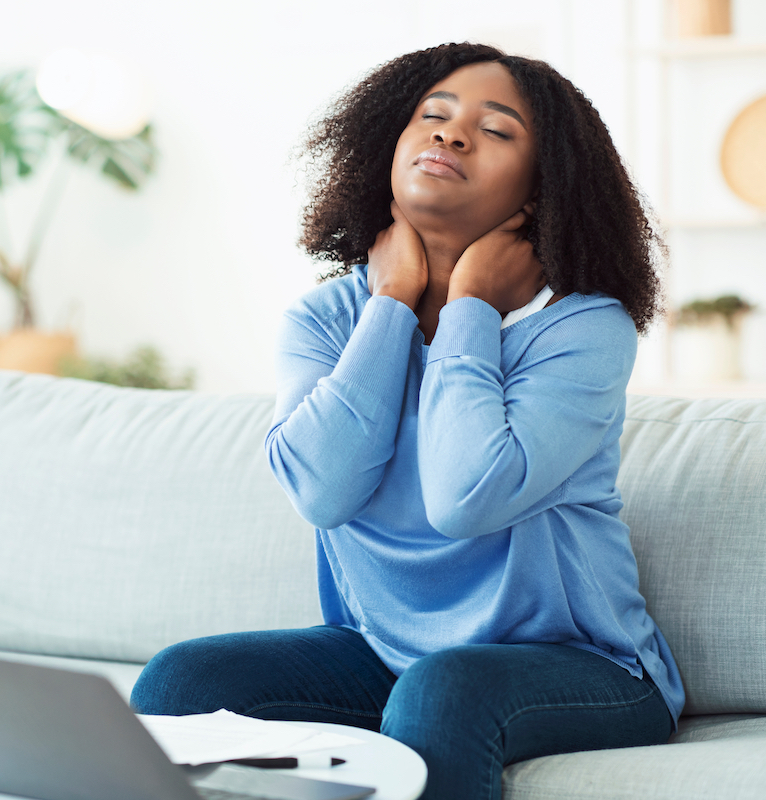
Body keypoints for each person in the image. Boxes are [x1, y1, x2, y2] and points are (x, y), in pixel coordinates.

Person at [130, 42, 685, 800]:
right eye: (433, 116)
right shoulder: (328, 319)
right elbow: (323, 492)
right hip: (385, 656)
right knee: (183, 679)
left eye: (496, 131)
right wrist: (390, 304)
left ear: (543, 185)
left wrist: (469, 308)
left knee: (444, 690)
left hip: (585, 667)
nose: (451, 136)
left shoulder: (582, 329)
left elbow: (468, 496)